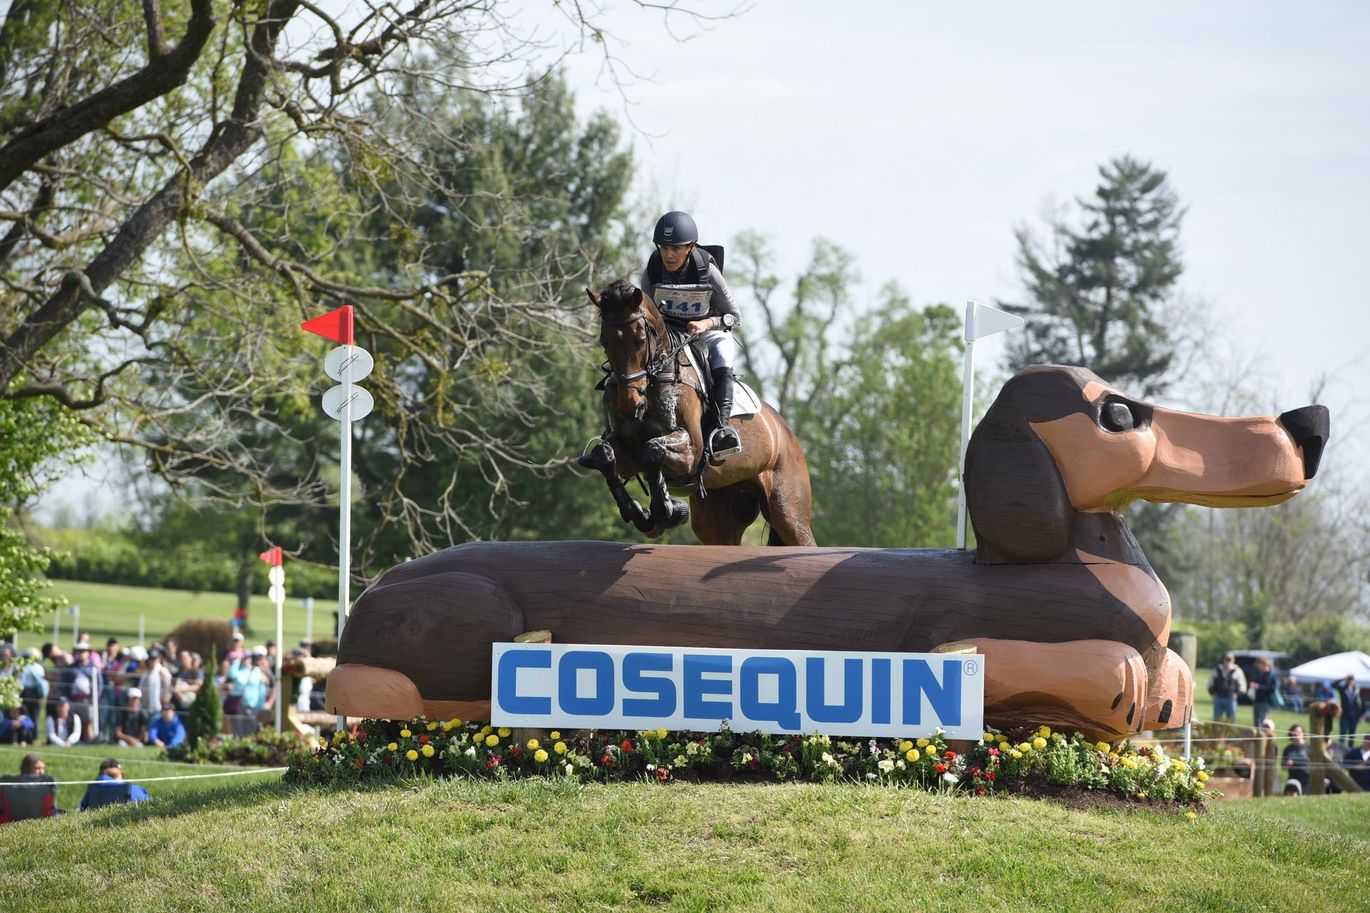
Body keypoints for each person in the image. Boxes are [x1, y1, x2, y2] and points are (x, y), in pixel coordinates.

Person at [639, 211, 745, 458]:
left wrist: (707, 323)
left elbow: (735, 316)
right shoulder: (653, 270)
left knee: (723, 353)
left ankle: (721, 428)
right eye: (664, 248)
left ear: (690, 247)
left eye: (676, 248)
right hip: (669, 336)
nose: (669, 255)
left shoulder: (707, 271)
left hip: (706, 332)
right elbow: (645, 314)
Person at [60, 641, 102, 742]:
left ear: (89, 652)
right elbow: (65, 685)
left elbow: (99, 685)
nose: (81, 653)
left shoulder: (94, 668)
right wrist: (66, 700)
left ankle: (89, 741)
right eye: (79, 651)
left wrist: (94, 700)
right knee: (74, 722)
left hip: (87, 701)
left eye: (84, 651)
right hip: (73, 701)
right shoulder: (71, 668)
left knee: (87, 722)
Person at [78, 758, 150, 811]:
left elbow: (82, 809)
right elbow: (148, 805)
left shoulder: (92, 788)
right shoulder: (131, 789)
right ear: (118, 774)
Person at [1207, 653, 1247, 723]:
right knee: (1217, 720)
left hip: (1231, 698)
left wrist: (1237, 694)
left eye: (1230, 659)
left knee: (1231, 720)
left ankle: (1231, 734)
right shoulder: (1217, 669)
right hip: (1218, 697)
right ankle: (1217, 734)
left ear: (1233, 660)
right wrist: (1212, 693)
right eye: (1226, 659)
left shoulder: (1237, 671)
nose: (1228, 661)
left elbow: (1243, 685)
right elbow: (1210, 682)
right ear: (1224, 660)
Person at [18, 646, 49, 722]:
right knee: (34, 716)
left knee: (24, 715)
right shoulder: (39, 667)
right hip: (35, 693)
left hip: (25, 692)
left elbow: (21, 681)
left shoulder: (23, 667)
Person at [1332, 674, 1363, 747]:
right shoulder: (1343, 689)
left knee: (1352, 735)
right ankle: (1341, 749)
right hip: (1344, 716)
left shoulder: (1356, 689)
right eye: (1349, 679)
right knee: (1342, 734)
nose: (1350, 681)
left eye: (1352, 679)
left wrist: (1361, 714)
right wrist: (1343, 678)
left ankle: (1350, 751)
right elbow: (1333, 684)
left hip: (1354, 716)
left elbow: (1360, 703)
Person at [1248, 657, 1279, 728]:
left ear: (1264, 664)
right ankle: (1257, 737)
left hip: (1265, 701)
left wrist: (1259, 687)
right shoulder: (1258, 674)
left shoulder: (1271, 675)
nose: (1258, 666)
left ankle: (1264, 736)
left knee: (1263, 721)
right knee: (1256, 722)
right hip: (1257, 700)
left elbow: (1272, 688)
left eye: (1260, 664)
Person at [1281, 723, 1311, 795]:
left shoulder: (1309, 748)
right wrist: (1287, 764)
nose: (1297, 735)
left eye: (1299, 732)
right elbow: (1283, 766)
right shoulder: (1288, 749)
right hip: (1293, 780)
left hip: (1308, 780)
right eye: (1294, 733)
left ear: (1303, 734)